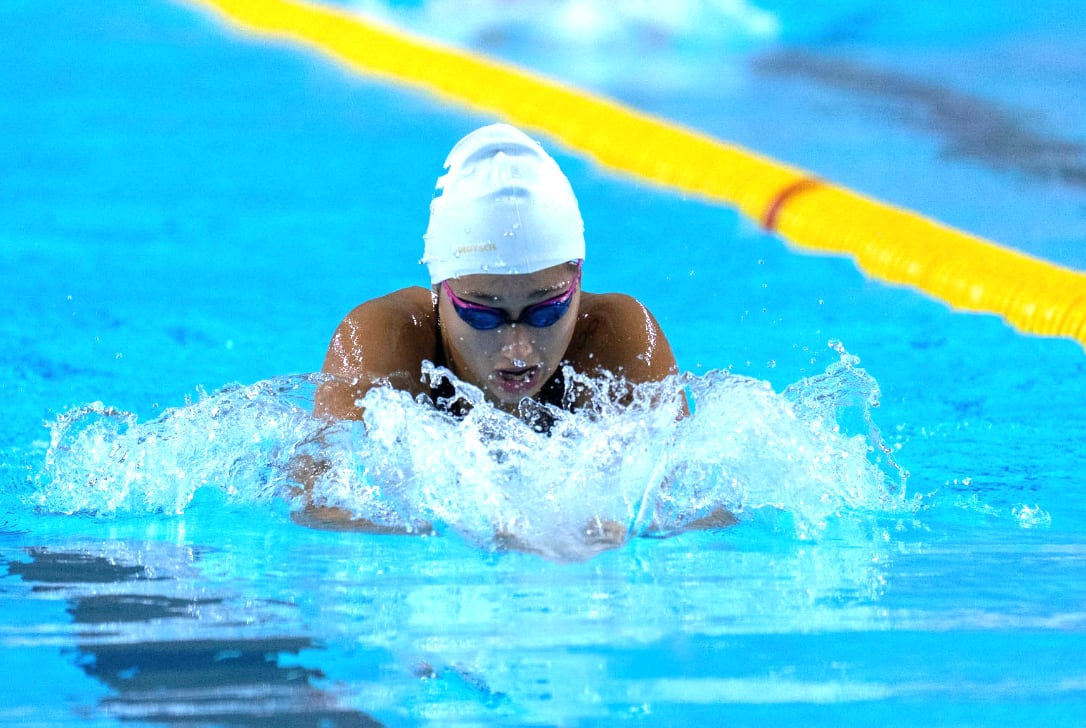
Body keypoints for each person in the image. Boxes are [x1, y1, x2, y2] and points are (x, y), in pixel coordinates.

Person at [313, 122, 681, 423]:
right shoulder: (385, 342)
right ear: (440, 288)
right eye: (483, 315)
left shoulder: (619, 341)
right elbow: (325, 504)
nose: (517, 349)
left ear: (578, 281)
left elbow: (692, 505)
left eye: (546, 311)